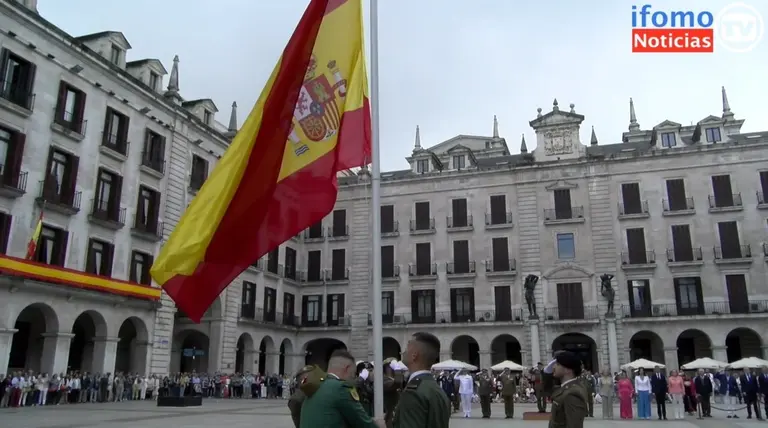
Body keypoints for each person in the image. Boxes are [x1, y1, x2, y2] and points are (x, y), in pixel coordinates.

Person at [299, 350, 383, 428]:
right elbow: (362, 422)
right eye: (353, 374)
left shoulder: (317, 385)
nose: (353, 378)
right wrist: (378, 425)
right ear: (347, 369)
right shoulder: (341, 388)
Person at [393, 332, 450, 428]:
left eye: (407, 346)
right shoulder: (437, 390)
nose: (404, 351)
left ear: (414, 355)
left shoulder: (413, 393)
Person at [541, 350, 588, 428]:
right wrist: (547, 371)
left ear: (568, 370)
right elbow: (547, 389)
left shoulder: (572, 394)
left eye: (557, 364)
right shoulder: (565, 387)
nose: (553, 367)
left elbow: (574, 425)